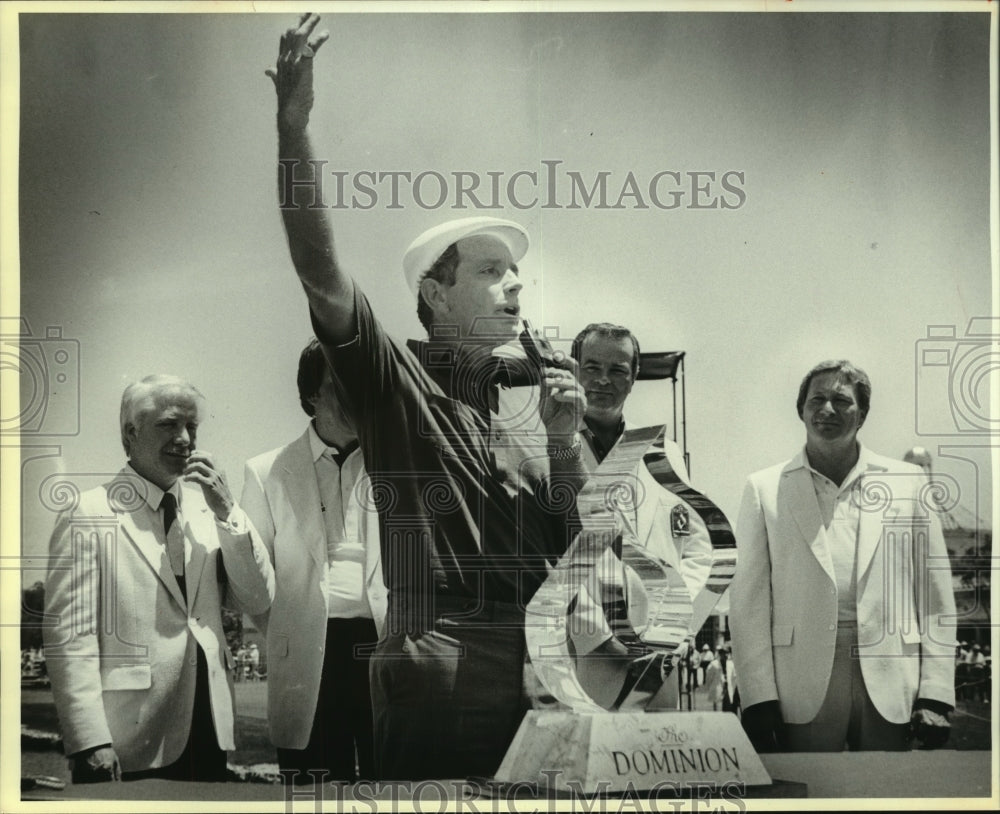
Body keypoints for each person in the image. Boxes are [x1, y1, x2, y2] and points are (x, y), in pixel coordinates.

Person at [266, 14, 587, 781]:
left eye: (516, 275)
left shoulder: (515, 420)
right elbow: (319, 269)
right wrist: (293, 131)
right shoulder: (397, 385)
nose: (513, 285)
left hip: (538, 655)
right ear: (435, 296)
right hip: (444, 649)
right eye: (489, 270)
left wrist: (565, 439)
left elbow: (573, 544)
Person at [43, 375, 275, 782]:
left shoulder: (210, 513)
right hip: (127, 737)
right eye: (169, 424)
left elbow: (258, 598)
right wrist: (88, 740)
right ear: (130, 434)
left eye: (192, 427)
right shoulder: (88, 513)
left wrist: (229, 513)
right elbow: (69, 636)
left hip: (209, 726)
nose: (185, 439)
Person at [730, 360, 956, 752]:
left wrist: (936, 691)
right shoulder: (763, 489)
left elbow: (935, 596)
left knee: (886, 802)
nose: (827, 410)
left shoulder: (908, 483)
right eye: (817, 399)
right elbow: (747, 603)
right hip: (798, 684)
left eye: (841, 400)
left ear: (862, 413)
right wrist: (757, 696)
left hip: (892, 678)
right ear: (800, 410)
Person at [240, 338, 387, 783]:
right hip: (310, 655)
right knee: (315, 792)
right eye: (339, 382)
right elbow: (253, 581)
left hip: (386, 647)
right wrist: (291, 628)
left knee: (396, 790)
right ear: (311, 396)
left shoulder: (399, 466)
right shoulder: (265, 471)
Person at [567, 323, 712, 708]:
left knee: (660, 762)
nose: (603, 380)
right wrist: (599, 637)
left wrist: (676, 624)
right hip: (588, 656)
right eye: (592, 367)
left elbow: (698, 547)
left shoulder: (664, 452)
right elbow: (547, 555)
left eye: (618, 370)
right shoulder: (552, 451)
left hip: (660, 656)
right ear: (574, 370)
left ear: (633, 379)